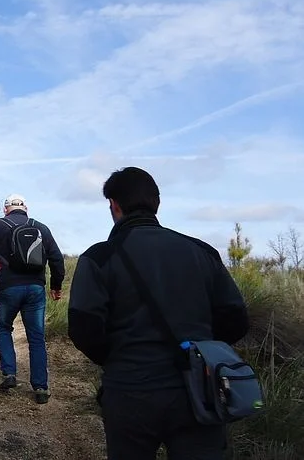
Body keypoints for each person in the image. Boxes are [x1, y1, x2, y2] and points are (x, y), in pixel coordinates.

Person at [68, 166, 250, 459]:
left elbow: (83, 328)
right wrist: (199, 350)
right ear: (157, 203)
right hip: (197, 391)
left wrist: (119, 360)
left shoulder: (98, 257)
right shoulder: (202, 252)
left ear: (113, 206)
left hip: (129, 392)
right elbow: (236, 320)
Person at [0, 194, 65, 404]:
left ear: (6, 209)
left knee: (4, 329)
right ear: (26, 208)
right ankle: (41, 387)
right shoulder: (41, 227)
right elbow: (56, 258)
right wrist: (56, 286)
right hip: (36, 288)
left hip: (9, 287)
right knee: (36, 337)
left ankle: (9, 374)